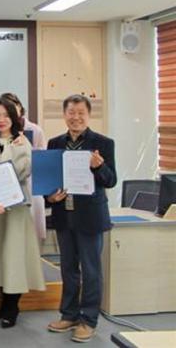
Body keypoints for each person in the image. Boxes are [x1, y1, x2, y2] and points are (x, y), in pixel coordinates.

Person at [45, 94, 116, 343]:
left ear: (88, 115)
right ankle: (69, 315)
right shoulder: (55, 143)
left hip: (90, 217)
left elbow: (111, 180)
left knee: (91, 270)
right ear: (64, 115)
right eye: (71, 112)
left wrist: (98, 167)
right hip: (64, 215)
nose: (76, 117)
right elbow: (49, 179)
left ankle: (89, 320)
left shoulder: (103, 143)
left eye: (80, 113)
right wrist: (49, 197)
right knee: (68, 269)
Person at [0, 98, 45, 328]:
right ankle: (3, 303)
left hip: (15, 209)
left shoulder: (21, 142)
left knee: (14, 256)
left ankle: (12, 307)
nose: (1, 119)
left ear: (14, 118)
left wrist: (17, 150)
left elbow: (21, 173)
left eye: (6, 115)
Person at [0, 92, 48, 240]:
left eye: (13, 106)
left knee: (32, 235)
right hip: (7, 187)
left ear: (20, 107)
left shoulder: (35, 130)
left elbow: (42, 160)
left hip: (31, 185)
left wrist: (25, 150)